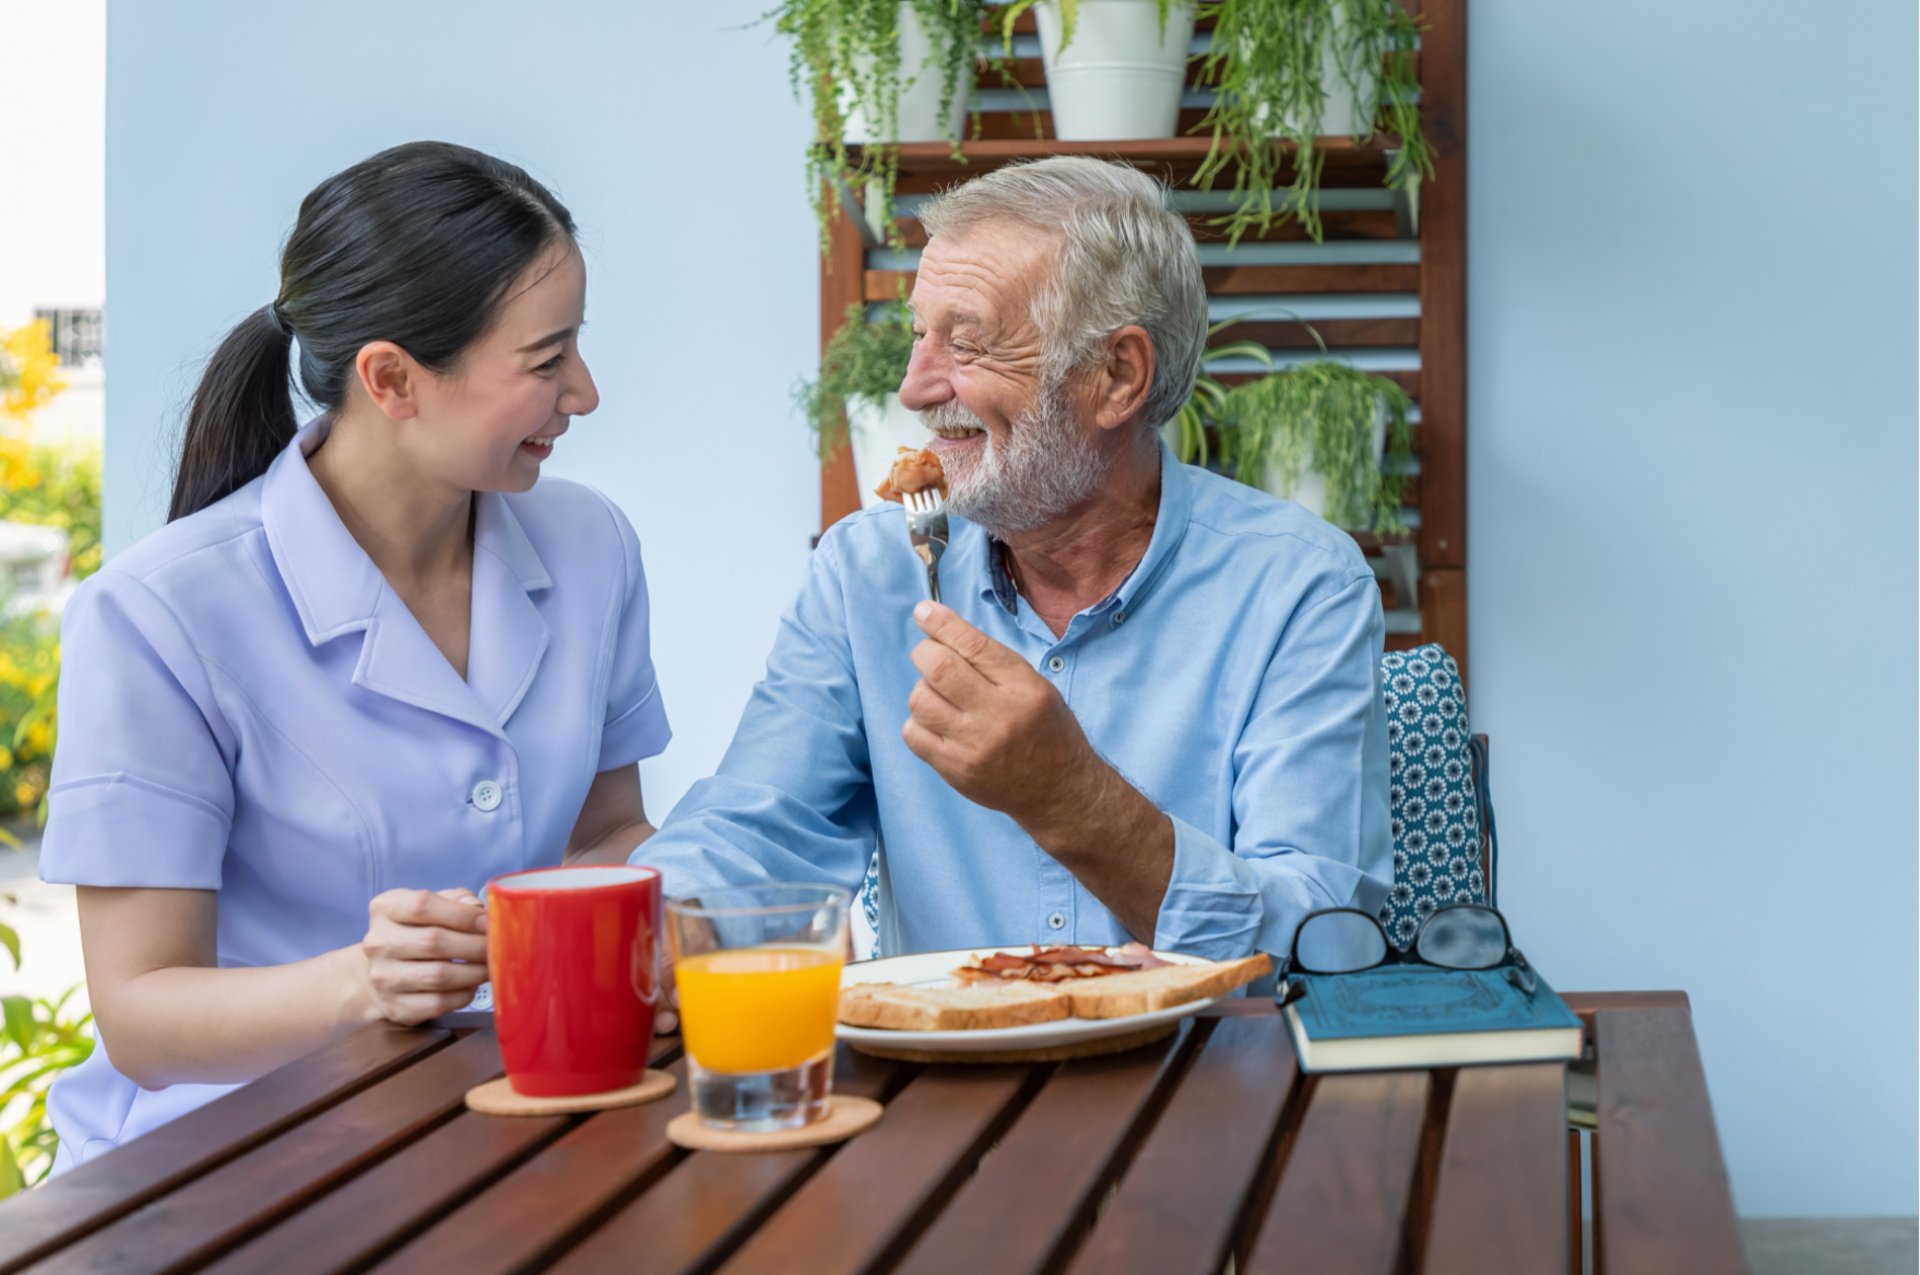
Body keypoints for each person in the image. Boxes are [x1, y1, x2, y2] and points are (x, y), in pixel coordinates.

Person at [38, 141, 669, 1169]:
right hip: (225, 1161)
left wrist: (694, 901)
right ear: (392, 378)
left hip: (488, 1122)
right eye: (547, 361)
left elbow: (602, 837)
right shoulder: (155, 615)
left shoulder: (592, 547)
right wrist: (361, 983)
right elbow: (142, 1018)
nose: (584, 391)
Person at [635, 156, 1388, 962]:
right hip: (938, 1080)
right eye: (919, 335)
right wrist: (633, 925)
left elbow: (1323, 937)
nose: (916, 388)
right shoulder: (869, 572)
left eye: (967, 345)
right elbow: (756, 832)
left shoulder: (1299, 586)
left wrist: (1070, 797)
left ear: (1117, 376)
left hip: (1201, 1076)